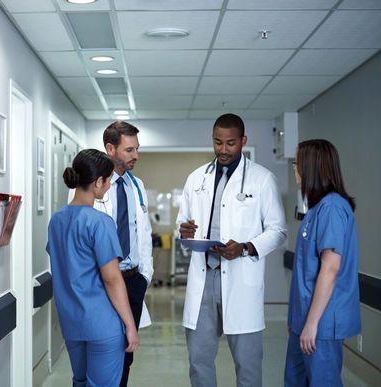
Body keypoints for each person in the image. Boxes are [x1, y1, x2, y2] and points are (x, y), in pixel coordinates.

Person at [177, 113, 287, 387]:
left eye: (230, 143)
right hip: (204, 279)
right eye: (218, 142)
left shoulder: (262, 179)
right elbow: (182, 224)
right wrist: (184, 231)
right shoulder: (196, 178)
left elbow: (278, 230)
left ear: (243, 141)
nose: (223, 150)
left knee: (248, 364)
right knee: (199, 361)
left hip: (240, 280)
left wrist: (247, 247)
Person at [69, 120, 154, 387]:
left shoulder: (136, 185)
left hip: (133, 281)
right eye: (129, 150)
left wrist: (144, 276)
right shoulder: (89, 185)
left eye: (137, 149)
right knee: (101, 357)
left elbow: (143, 233)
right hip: (101, 285)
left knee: (126, 357)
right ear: (110, 148)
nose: (136, 156)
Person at [47, 149, 140, 387]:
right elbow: (112, 280)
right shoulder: (100, 222)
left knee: (80, 382)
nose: (109, 186)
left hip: (71, 322)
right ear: (98, 182)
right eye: (108, 180)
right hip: (102, 324)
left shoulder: (56, 220)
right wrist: (130, 326)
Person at [285, 139, 361, 386]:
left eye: (298, 162)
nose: (295, 168)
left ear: (312, 167)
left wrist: (311, 323)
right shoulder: (316, 209)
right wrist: (296, 321)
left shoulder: (332, 208)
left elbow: (330, 269)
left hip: (321, 324)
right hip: (303, 320)